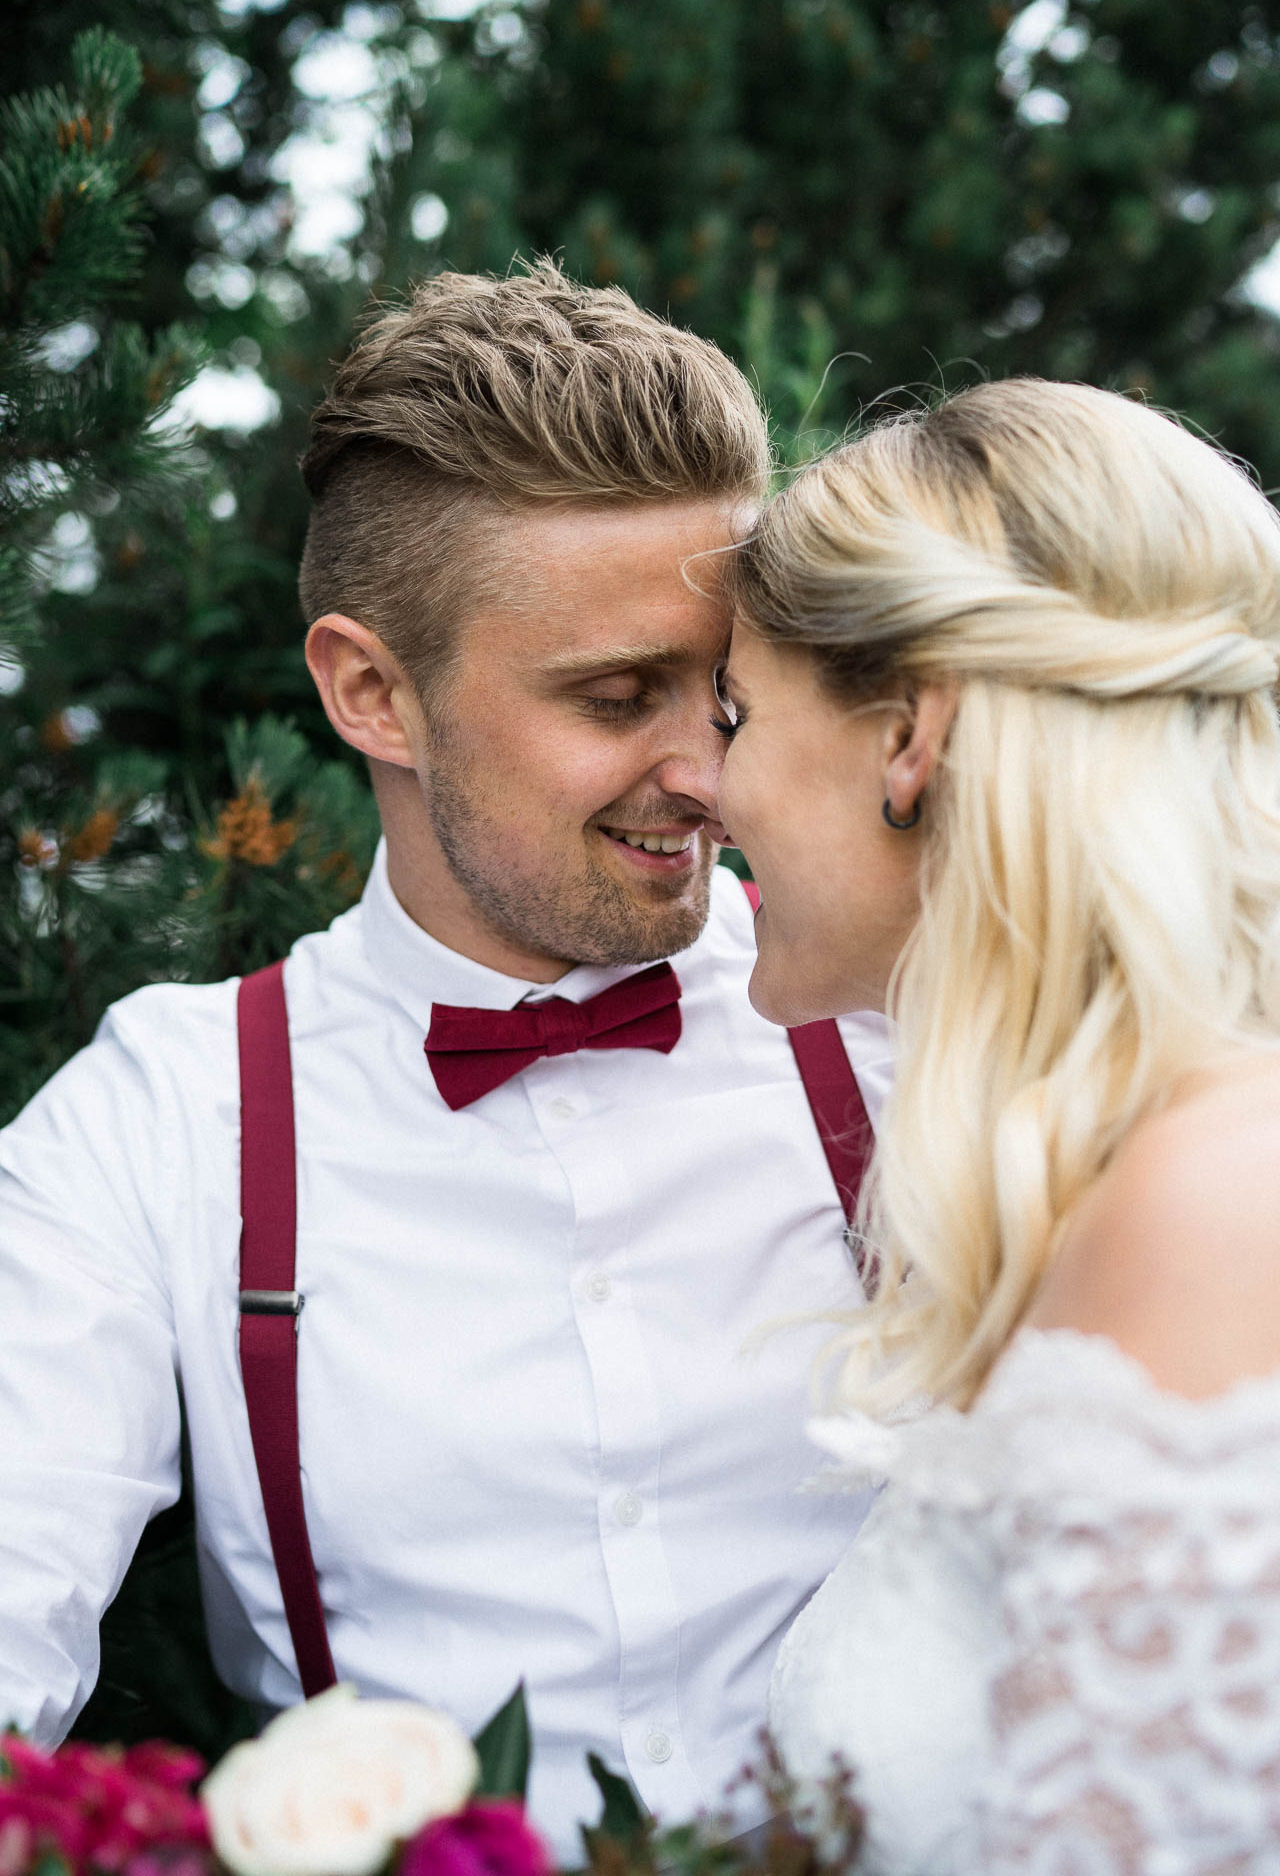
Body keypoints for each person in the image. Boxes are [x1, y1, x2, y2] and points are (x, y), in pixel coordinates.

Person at [0, 264, 893, 1861]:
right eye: (619, 697)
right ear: (368, 691)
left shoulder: (901, 1011)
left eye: (732, 692)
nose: (706, 777)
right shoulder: (163, 1124)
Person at [716, 378, 1280, 1873]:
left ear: (910, 735)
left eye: (735, 711)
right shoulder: (1136, 1166)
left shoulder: (1211, 1203)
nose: (707, 792)